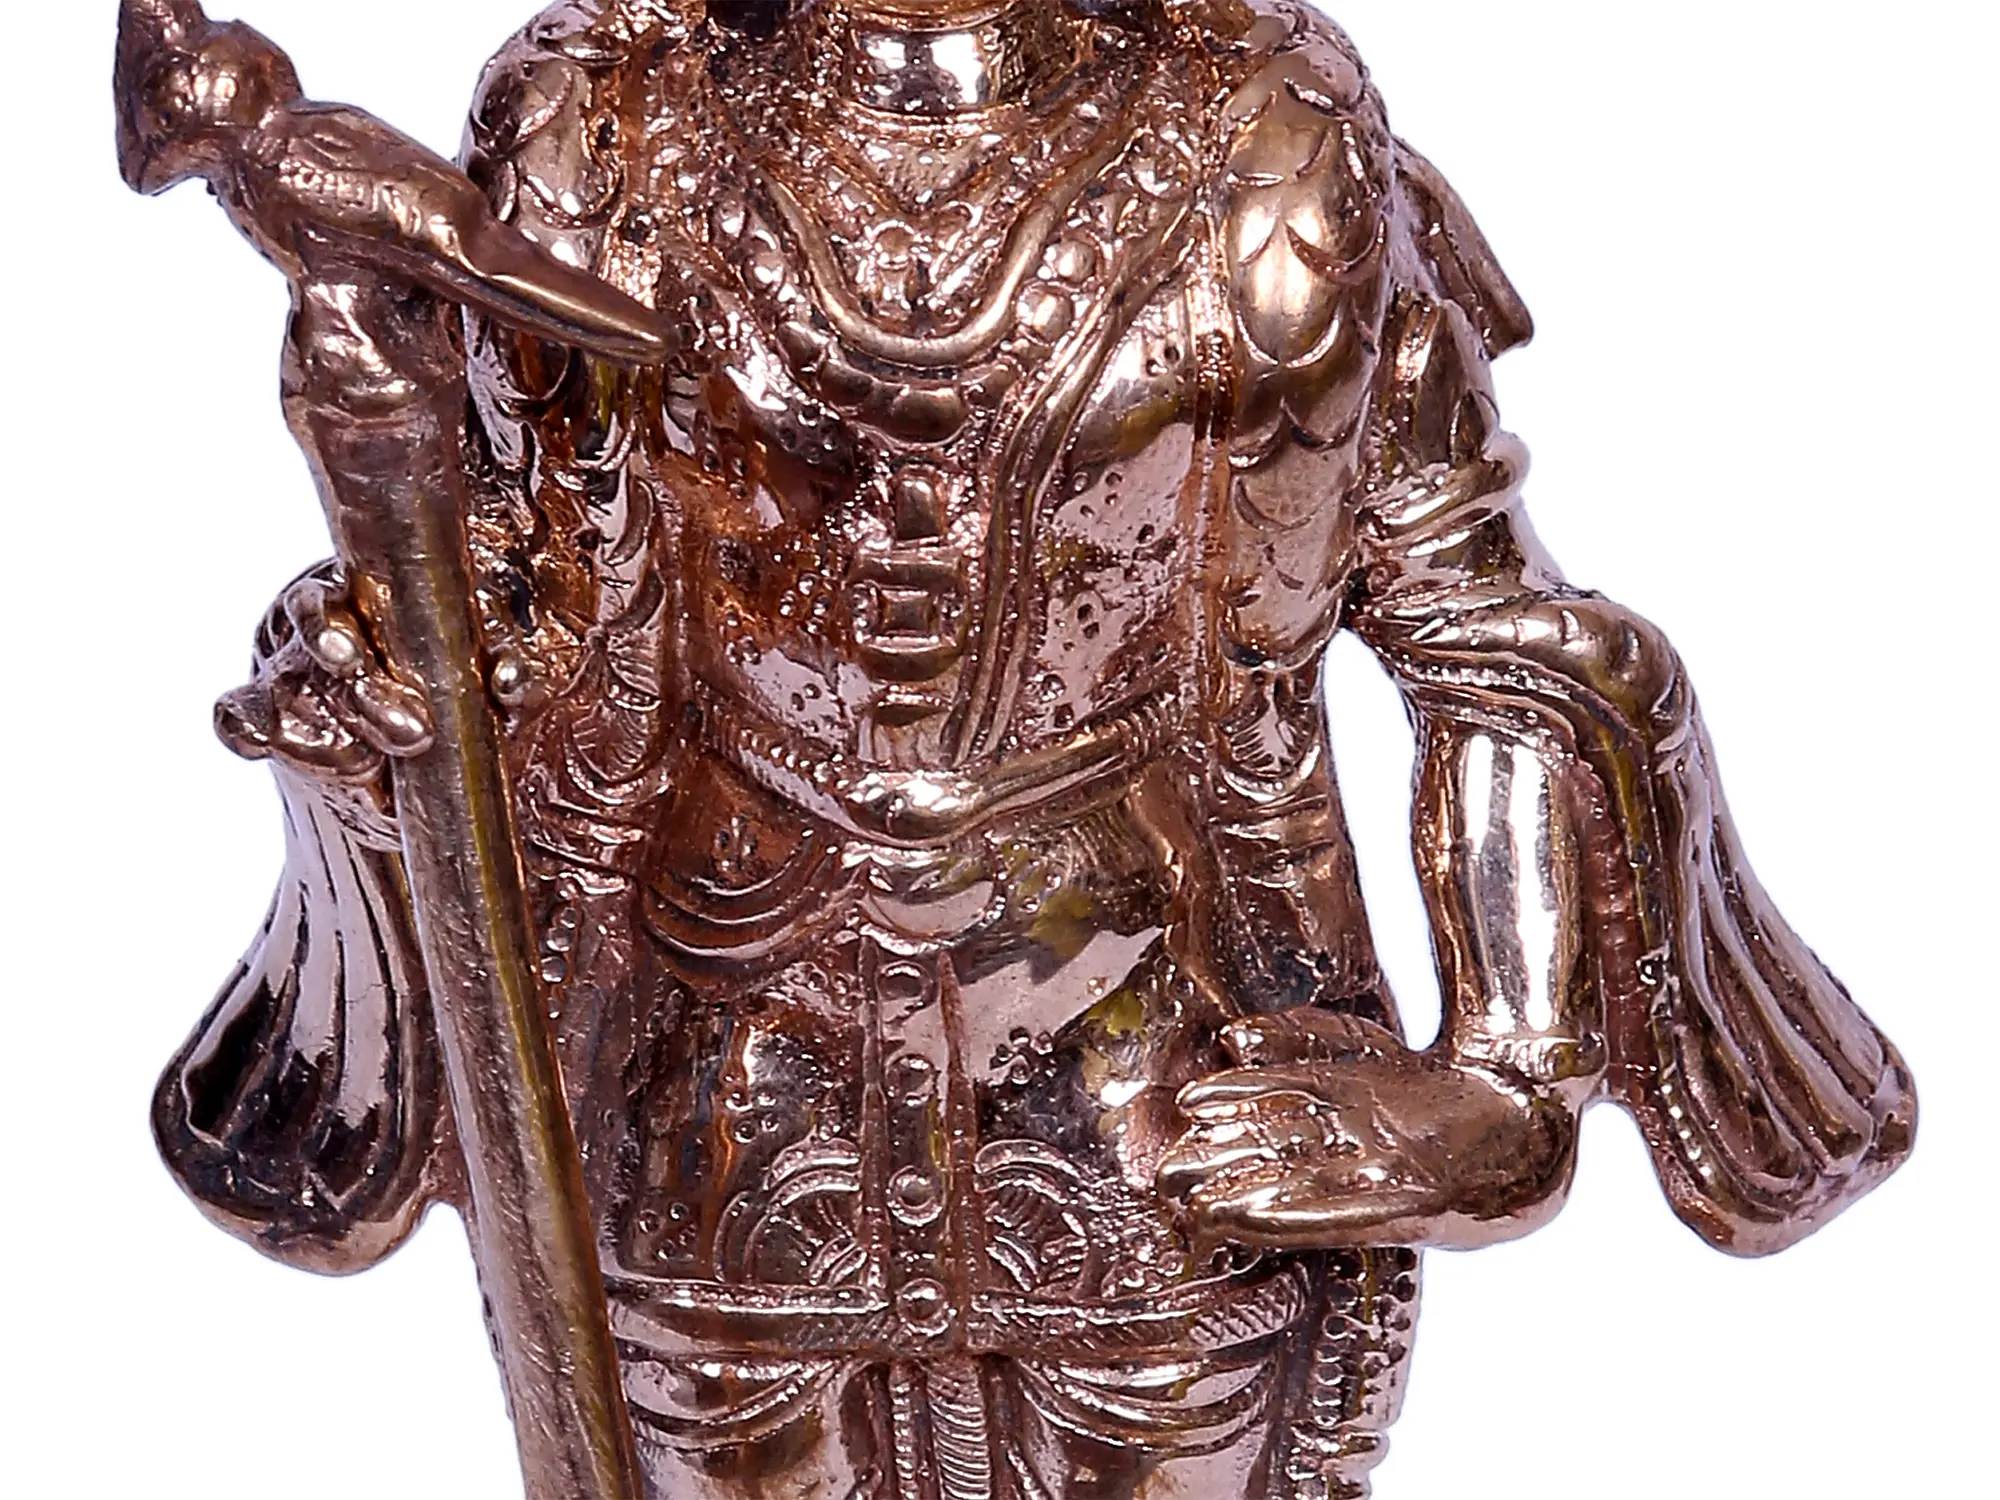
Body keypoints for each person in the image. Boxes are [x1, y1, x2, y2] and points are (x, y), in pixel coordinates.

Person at [123, 3, 1914, 1497]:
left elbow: (1480, 626)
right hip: (718, 1108)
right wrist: (373, 685)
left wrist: (1507, 1075)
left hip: (1168, 1097)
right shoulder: (602, 131)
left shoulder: (1268, 144)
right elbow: (541, 632)